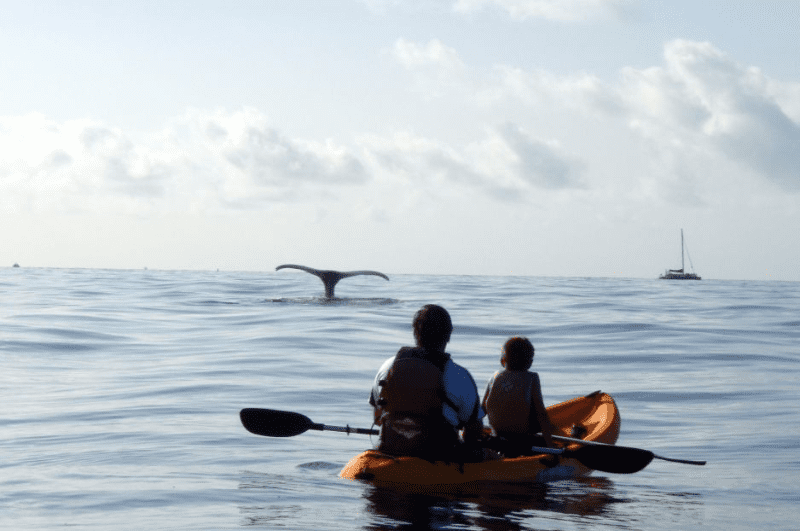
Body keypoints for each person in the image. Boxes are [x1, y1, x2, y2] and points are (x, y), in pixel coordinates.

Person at [369, 304, 484, 461]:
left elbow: (377, 418)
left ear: (415, 332)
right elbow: (473, 431)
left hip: (391, 451)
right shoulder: (460, 376)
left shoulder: (388, 366)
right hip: (437, 457)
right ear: (449, 335)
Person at [481, 336, 554, 457]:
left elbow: (481, 410)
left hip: (497, 438)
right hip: (522, 441)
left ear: (502, 360)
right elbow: (541, 414)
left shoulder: (494, 377)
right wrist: (550, 446)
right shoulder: (532, 378)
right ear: (530, 362)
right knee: (550, 429)